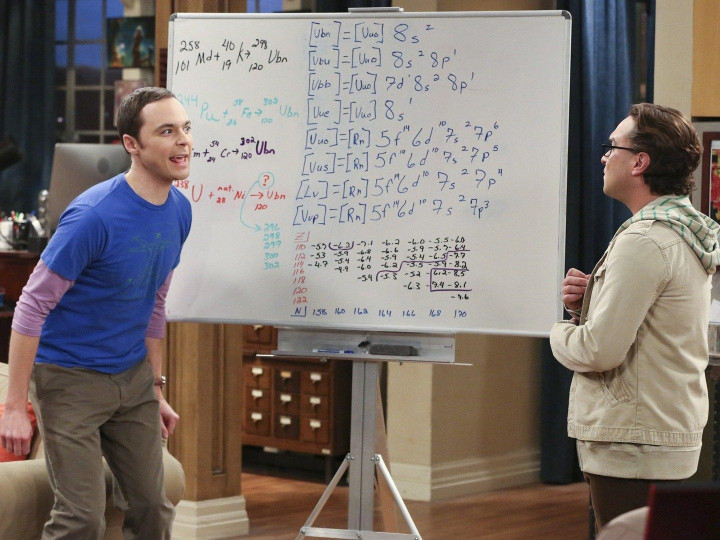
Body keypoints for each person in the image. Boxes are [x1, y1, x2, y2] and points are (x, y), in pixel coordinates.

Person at [0, 86, 193, 539]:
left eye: (186, 128)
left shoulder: (180, 211)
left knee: (153, 508)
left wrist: (156, 389)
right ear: (132, 144)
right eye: (166, 131)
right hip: (68, 379)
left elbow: (154, 303)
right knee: (81, 517)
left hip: (132, 377)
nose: (183, 141)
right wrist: (14, 406)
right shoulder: (93, 216)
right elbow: (31, 306)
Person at [550, 103, 720, 532]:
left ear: (640, 162)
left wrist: (555, 329)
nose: (604, 157)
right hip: (661, 432)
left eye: (613, 147)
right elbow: (657, 324)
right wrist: (588, 306)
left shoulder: (643, 240)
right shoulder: (680, 230)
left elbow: (598, 351)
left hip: (633, 441)